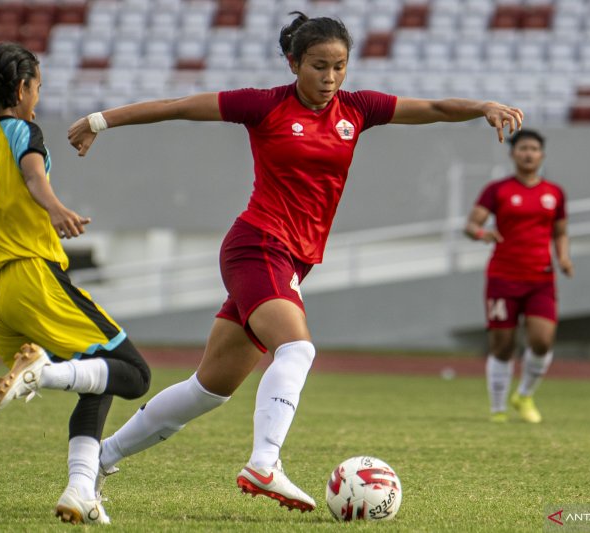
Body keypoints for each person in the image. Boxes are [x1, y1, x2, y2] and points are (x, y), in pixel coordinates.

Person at [67, 12, 523, 513]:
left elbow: (433, 106)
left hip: (290, 260)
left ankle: (96, 464)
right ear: (293, 62)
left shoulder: (359, 109)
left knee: (209, 390)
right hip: (258, 245)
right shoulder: (263, 105)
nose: (330, 79)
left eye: (339, 67)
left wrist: (482, 106)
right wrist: (99, 121)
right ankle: (264, 462)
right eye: (318, 66)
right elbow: (179, 107)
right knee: (298, 350)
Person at [0, 42, 152, 525]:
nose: (38, 97)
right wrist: (56, 208)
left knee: (98, 377)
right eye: (38, 87)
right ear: (21, 88)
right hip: (31, 275)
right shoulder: (23, 129)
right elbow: (33, 174)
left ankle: (80, 490)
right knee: (134, 373)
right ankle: (42, 371)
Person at [464, 129, 573, 424]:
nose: (528, 153)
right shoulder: (496, 190)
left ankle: (524, 395)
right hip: (503, 277)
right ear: (512, 153)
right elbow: (471, 225)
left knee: (541, 341)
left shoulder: (554, 193)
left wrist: (563, 256)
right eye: (523, 148)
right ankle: (498, 409)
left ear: (542, 155)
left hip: (541, 278)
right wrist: (481, 233)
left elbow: (560, 232)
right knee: (503, 345)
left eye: (534, 149)